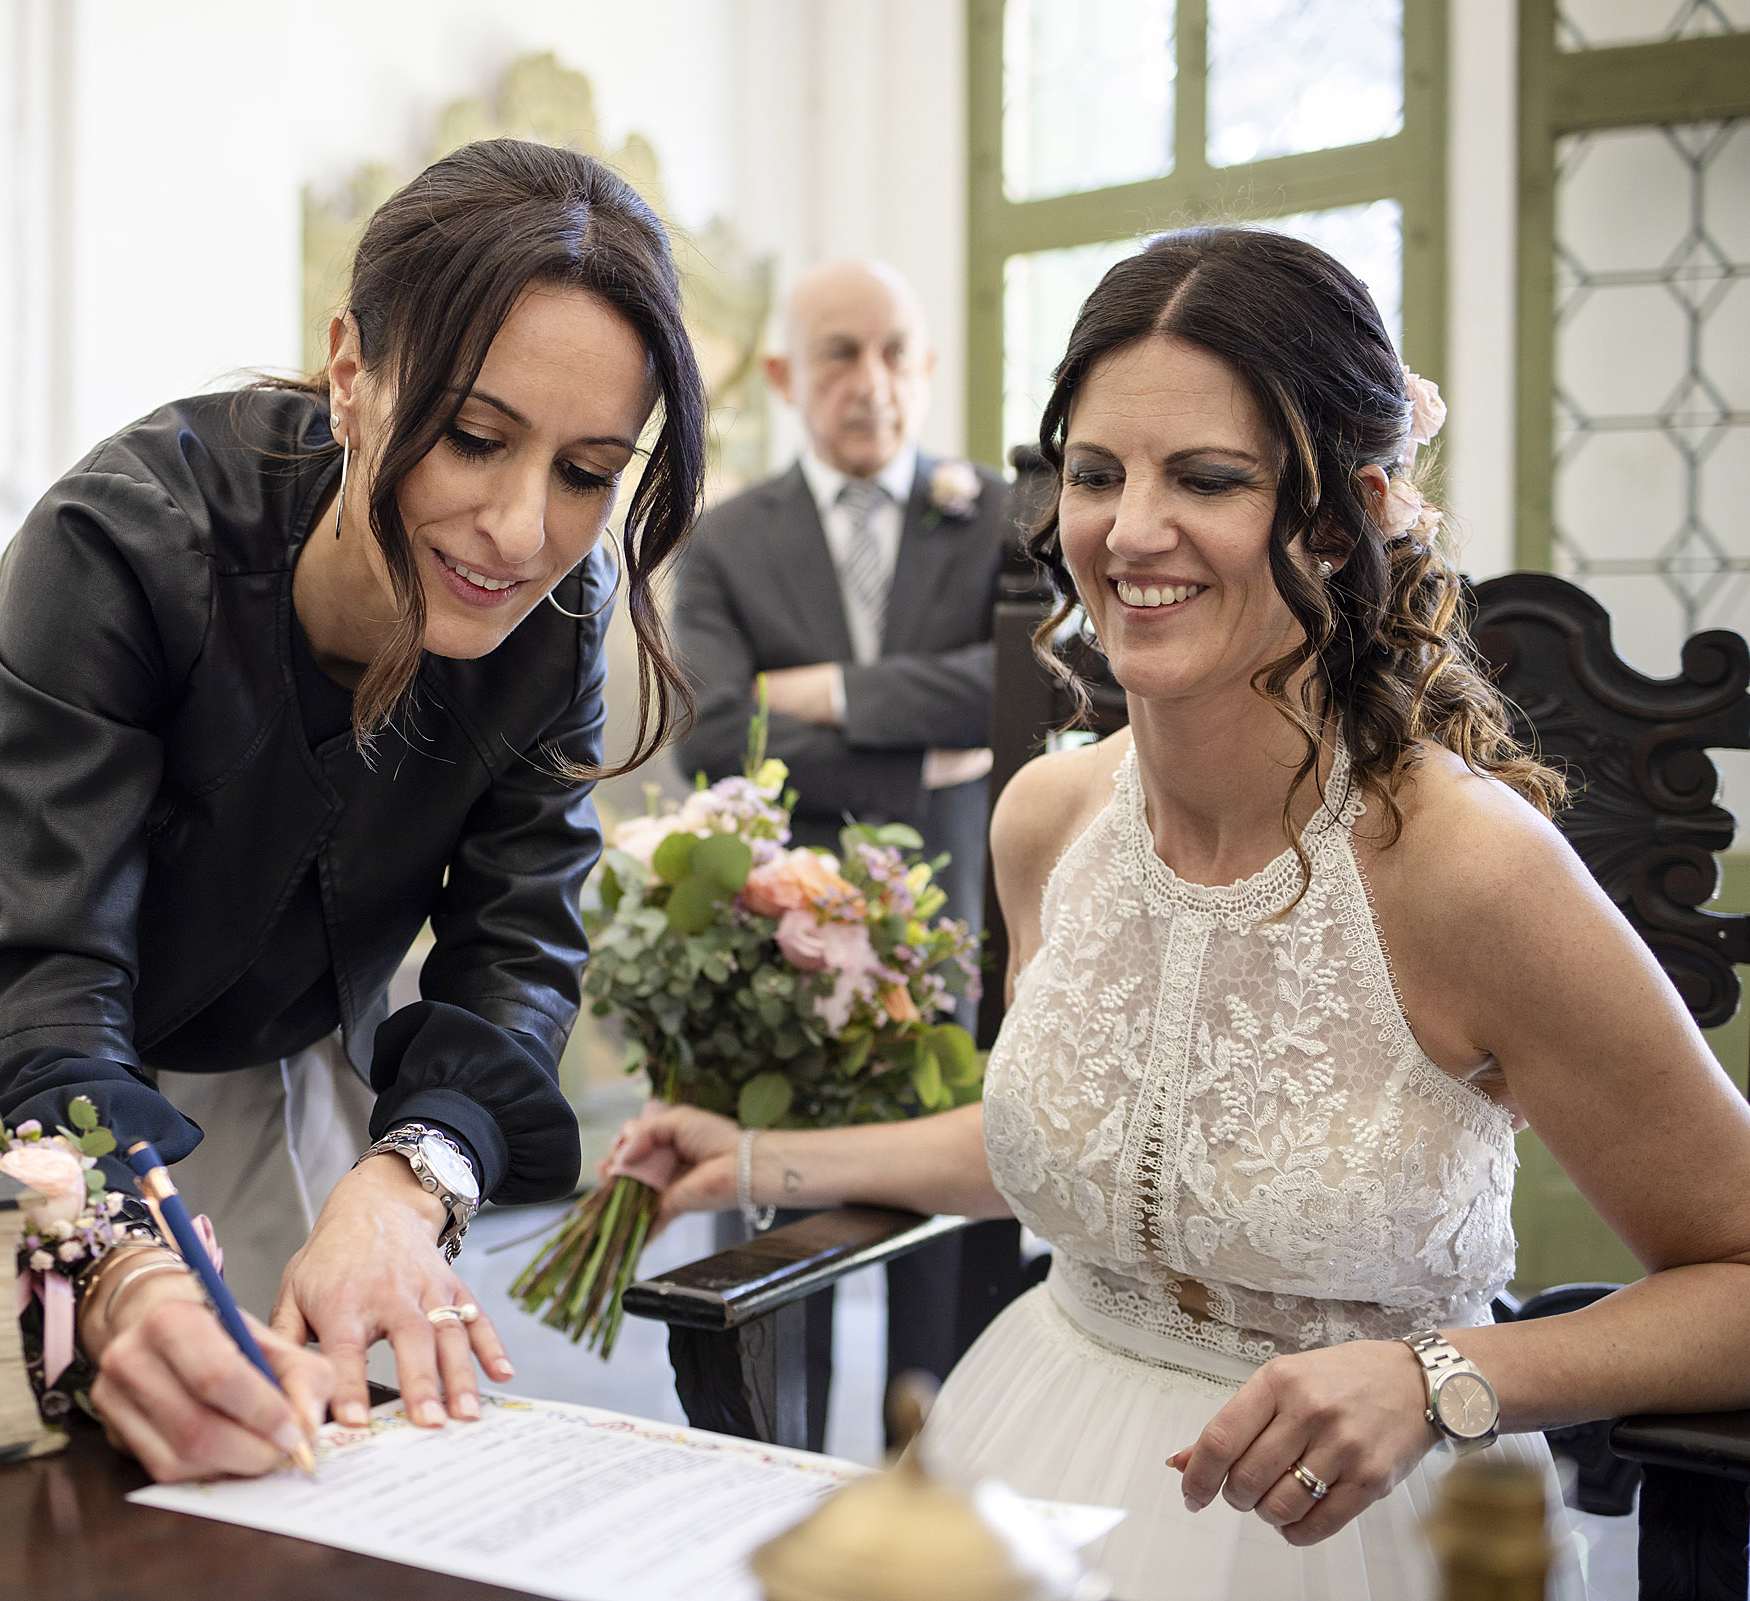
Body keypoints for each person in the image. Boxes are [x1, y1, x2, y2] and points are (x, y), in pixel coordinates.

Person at [607, 227, 1750, 1596]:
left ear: (1345, 520)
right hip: (1025, 1449)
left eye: (1206, 478)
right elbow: (1094, 1139)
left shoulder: (1468, 871)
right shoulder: (1046, 821)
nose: (1129, 532)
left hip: (1351, 1534)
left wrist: (1448, 1376)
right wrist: (756, 1157)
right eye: (1097, 475)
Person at [0, 139, 707, 1482]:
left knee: (268, 1446)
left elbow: (518, 951)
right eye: (474, 437)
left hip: (264, 1038)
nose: (519, 528)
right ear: (350, 371)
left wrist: (411, 1184)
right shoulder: (119, 542)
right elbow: (37, 984)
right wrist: (120, 1269)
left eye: (587, 472)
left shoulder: (556, 614)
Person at [667, 257, 1014, 1427]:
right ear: (781, 374)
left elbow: (1025, 687)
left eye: (895, 352)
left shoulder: (998, 517)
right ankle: (776, 1466)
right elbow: (714, 738)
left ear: (925, 366)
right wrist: (925, 741)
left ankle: (933, 1471)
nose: (874, 382)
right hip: (782, 951)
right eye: (840, 353)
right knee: (774, 1217)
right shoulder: (720, 543)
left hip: (962, 933)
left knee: (947, 1219)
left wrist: (821, 694)